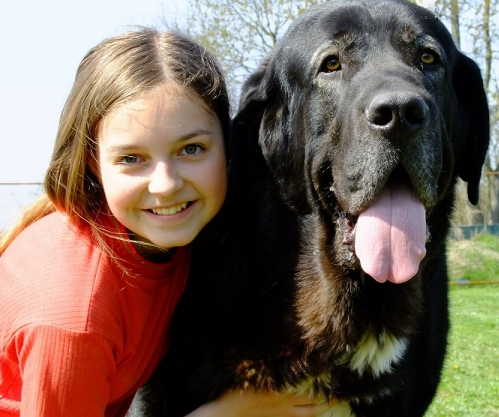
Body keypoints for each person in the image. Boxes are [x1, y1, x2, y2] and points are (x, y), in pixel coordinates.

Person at [0, 28, 332, 417]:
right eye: (131, 159)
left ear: (228, 146)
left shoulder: (178, 235)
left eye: (191, 149)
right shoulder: (75, 317)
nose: (166, 185)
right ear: (94, 163)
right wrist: (234, 410)